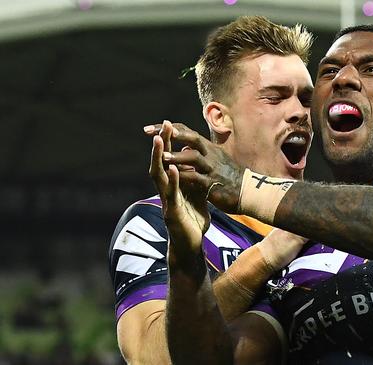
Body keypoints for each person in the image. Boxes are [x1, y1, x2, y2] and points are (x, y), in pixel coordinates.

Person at [156, 24, 373, 364]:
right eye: (328, 72)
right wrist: (185, 259)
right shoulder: (296, 249)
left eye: (372, 69)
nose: (343, 79)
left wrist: (245, 186)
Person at [109, 16, 315, 364]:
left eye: (305, 99)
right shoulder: (153, 222)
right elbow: (151, 358)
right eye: (275, 97)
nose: (299, 112)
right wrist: (265, 258)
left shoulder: (333, 223)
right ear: (219, 117)